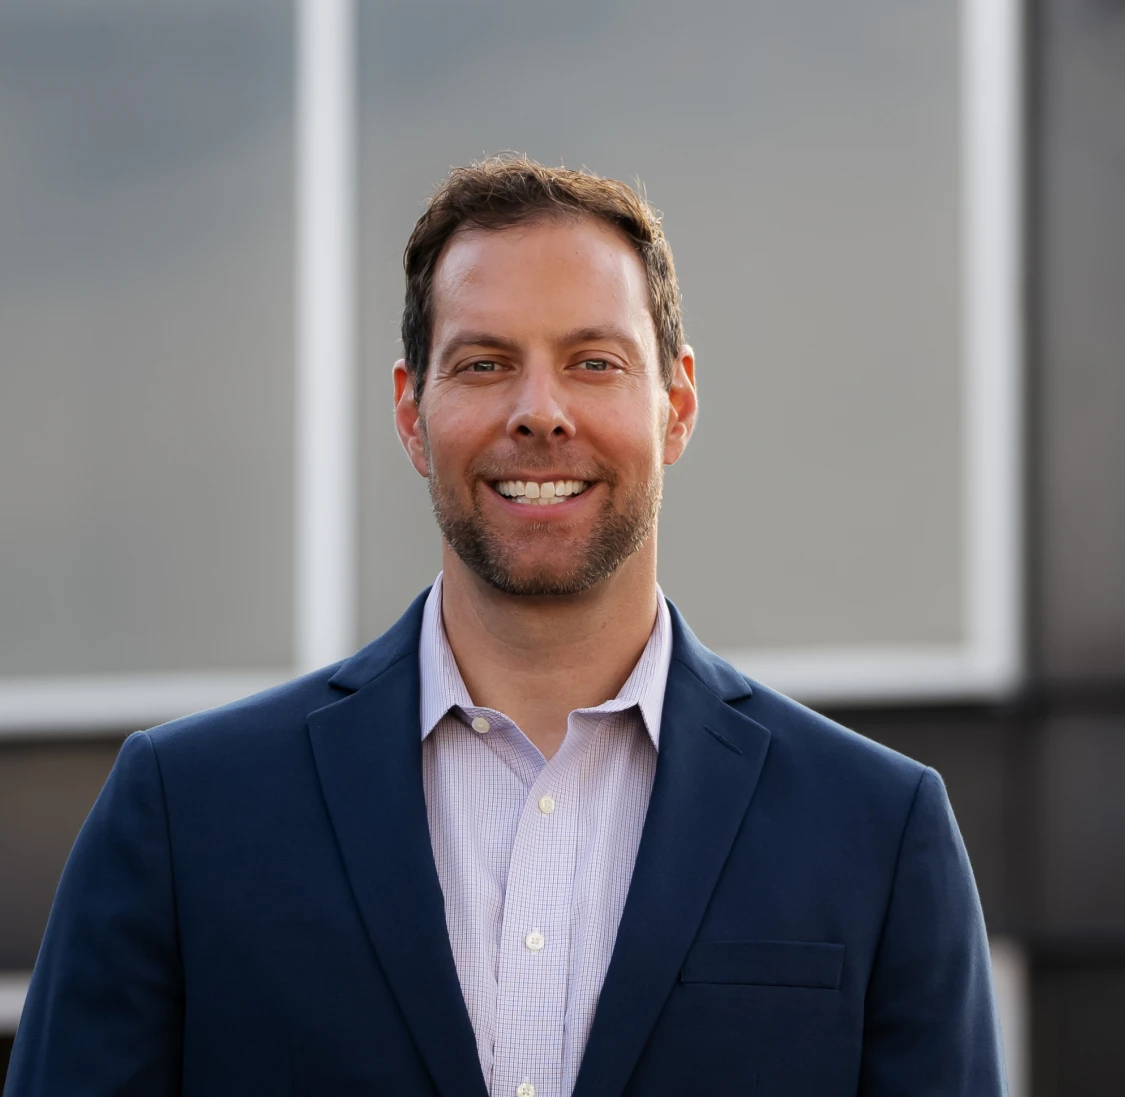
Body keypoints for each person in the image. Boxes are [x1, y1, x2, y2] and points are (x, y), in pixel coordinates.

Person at [7, 156, 1007, 1097]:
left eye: (595, 361)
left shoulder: (878, 833)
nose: (540, 411)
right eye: (485, 363)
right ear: (411, 412)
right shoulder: (186, 816)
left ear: (677, 405)